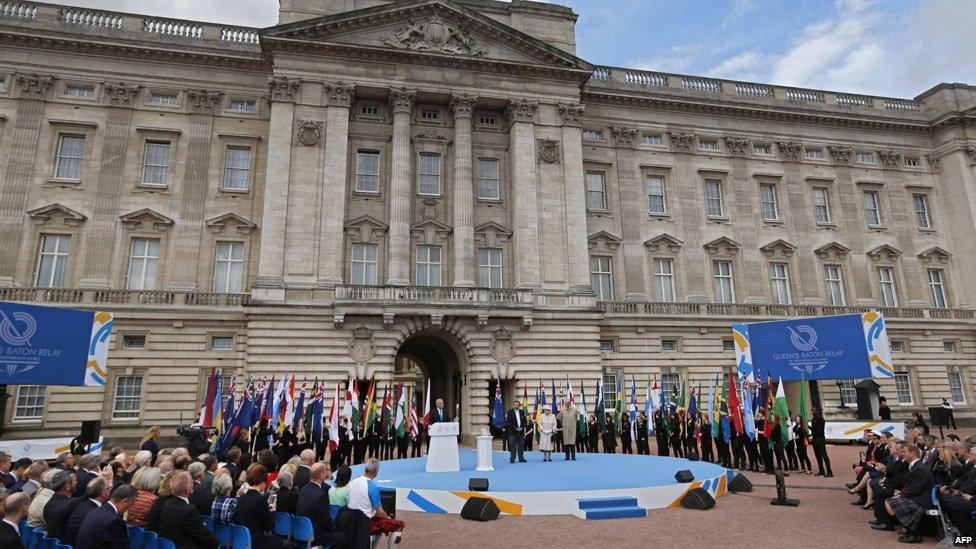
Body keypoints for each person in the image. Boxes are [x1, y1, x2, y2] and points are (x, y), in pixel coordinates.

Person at [875, 444, 935, 543]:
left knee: (890, 503)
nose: (903, 454)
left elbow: (916, 489)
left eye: (905, 452)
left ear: (913, 453)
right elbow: (912, 486)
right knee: (889, 503)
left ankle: (914, 533)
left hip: (922, 500)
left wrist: (901, 494)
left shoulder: (919, 468)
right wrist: (901, 492)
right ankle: (909, 530)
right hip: (918, 496)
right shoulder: (915, 466)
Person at [157, 471, 219, 548]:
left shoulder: (168, 503)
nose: (193, 485)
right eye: (192, 483)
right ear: (188, 489)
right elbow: (204, 535)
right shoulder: (189, 510)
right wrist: (217, 545)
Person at [347, 459, 404, 543]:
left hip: (351, 520)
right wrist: (387, 518)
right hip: (365, 523)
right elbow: (380, 512)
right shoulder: (372, 487)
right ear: (376, 471)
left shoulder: (353, 482)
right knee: (399, 524)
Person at [296, 463, 347, 547]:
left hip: (302, 531)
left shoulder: (303, 489)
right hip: (316, 535)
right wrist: (334, 528)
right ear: (321, 475)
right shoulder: (321, 496)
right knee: (344, 537)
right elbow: (325, 521)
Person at [233, 465, 282, 549]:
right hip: (255, 542)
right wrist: (273, 510)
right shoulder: (260, 500)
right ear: (263, 483)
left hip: (240, 540)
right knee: (285, 544)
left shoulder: (242, 497)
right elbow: (269, 526)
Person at [75, 484, 136, 549]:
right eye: (131, 504)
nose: (130, 508)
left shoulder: (97, 510)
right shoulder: (115, 522)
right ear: (125, 502)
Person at [64, 477, 111, 546]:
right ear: (104, 493)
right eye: (109, 488)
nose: (110, 490)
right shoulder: (97, 514)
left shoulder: (81, 505)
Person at [43, 470, 78, 540]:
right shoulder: (74, 504)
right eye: (75, 481)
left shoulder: (48, 504)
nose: (77, 482)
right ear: (67, 486)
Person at [810, 407, 833, 477]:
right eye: (812, 410)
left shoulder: (820, 419)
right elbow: (814, 429)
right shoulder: (813, 419)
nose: (812, 412)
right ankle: (821, 470)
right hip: (815, 440)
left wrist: (812, 433)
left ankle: (829, 471)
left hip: (820, 439)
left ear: (817, 411)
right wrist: (808, 427)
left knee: (824, 455)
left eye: (814, 410)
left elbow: (819, 430)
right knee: (817, 456)